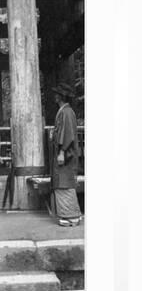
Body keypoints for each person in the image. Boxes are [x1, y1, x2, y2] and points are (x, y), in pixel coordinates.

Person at [50, 82, 82, 227]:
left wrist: (62, 151)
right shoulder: (64, 111)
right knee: (62, 181)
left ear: (60, 96)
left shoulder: (67, 112)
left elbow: (67, 134)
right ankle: (69, 214)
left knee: (64, 182)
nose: (54, 96)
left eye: (57, 94)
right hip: (63, 152)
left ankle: (71, 215)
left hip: (65, 154)